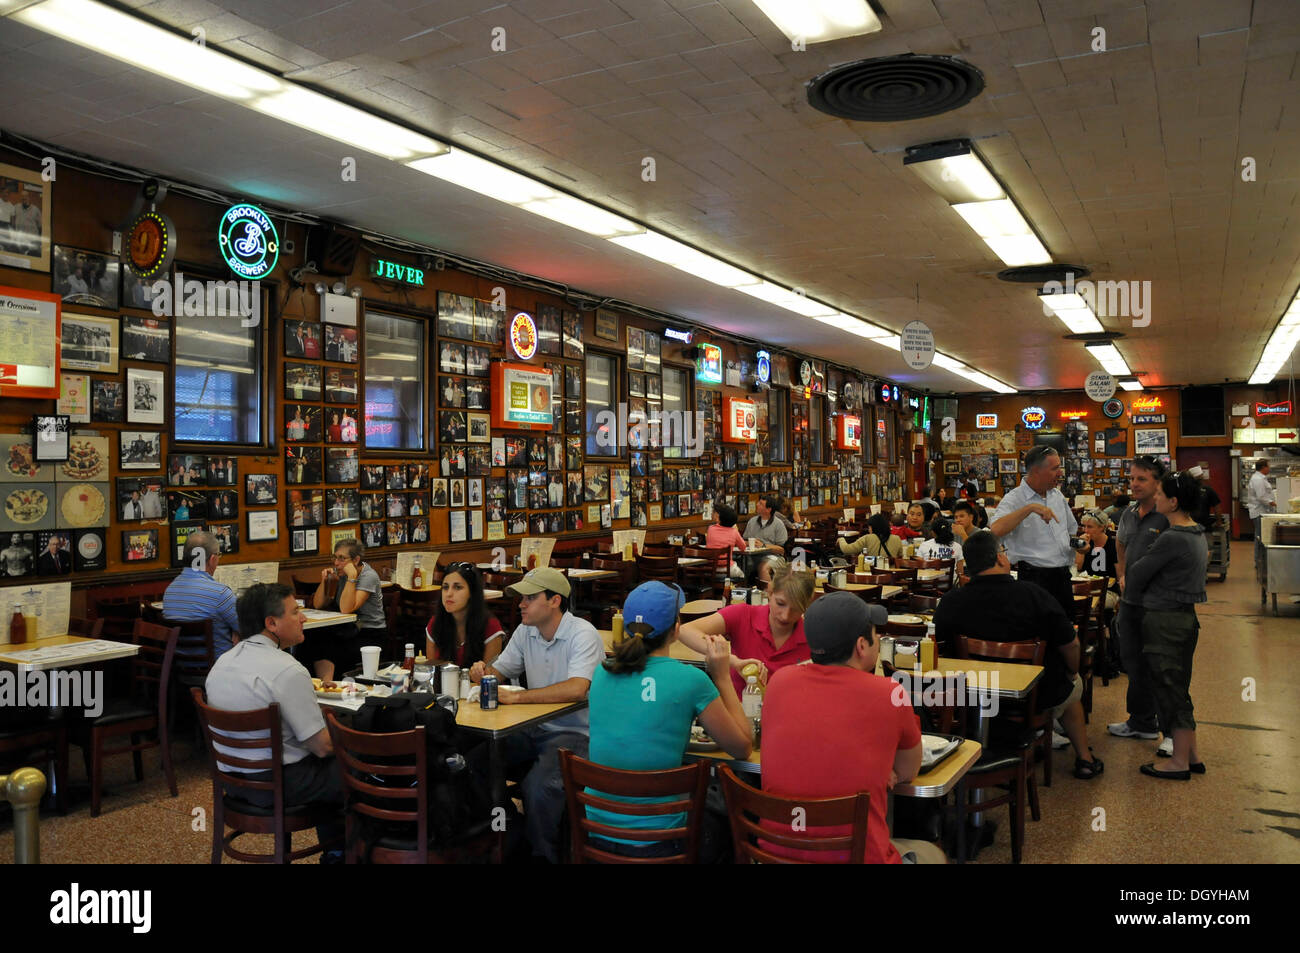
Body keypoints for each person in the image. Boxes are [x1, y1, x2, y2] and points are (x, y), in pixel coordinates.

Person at [761, 591, 943, 863]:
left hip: (775, 855)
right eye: (874, 632)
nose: (879, 638)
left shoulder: (778, 682)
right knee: (934, 855)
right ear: (861, 645)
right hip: (857, 856)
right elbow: (908, 771)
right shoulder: (890, 693)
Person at [586, 582, 751, 857]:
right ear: (676, 630)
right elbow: (742, 747)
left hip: (597, 833)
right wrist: (722, 676)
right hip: (663, 840)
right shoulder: (690, 679)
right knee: (727, 819)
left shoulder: (602, 673)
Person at [932, 531, 1103, 779]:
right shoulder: (1034, 595)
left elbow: (940, 647)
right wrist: (1072, 672)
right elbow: (1072, 645)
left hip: (970, 697)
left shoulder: (950, 601)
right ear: (1001, 559)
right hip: (1032, 696)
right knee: (1073, 687)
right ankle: (1084, 758)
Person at [468, 568, 603, 863]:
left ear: (555, 601)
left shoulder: (583, 633)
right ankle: (514, 833)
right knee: (474, 763)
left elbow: (578, 688)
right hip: (534, 727)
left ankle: (544, 856)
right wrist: (482, 672)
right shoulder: (525, 631)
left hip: (579, 733)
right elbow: (500, 670)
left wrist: (519, 697)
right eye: (521, 598)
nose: (521, 604)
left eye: (530, 597)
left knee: (538, 789)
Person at [205, 583, 342, 860]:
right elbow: (322, 747)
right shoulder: (287, 670)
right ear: (272, 623)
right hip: (278, 785)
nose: (303, 618)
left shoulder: (219, 665)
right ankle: (340, 854)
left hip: (232, 783)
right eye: (295, 612)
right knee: (356, 769)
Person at [1125, 472, 1208, 778]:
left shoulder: (1173, 537)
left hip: (1165, 620)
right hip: (1183, 617)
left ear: (1174, 502)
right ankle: (1191, 754)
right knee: (1178, 686)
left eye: (1160, 495)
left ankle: (1179, 762)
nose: (1155, 498)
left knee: (1170, 688)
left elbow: (1137, 573)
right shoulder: (1196, 531)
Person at [678, 563, 813, 693]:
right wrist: (733, 661)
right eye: (780, 603)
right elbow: (685, 631)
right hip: (739, 711)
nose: (785, 616)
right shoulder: (743, 615)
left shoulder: (814, 637)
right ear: (769, 593)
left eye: (796, 609)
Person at [1108, 456, 1168, 743]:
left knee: (1162, 666)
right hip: (1131, 601)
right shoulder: (1130, 513)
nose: (1133, 484)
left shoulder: (1169, 514)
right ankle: (1141, 722)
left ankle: (1170, 731)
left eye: (1141, 479)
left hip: (1159, 604)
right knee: (1133, 663)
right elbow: (1121, 544)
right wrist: (1122, 574)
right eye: (1132, 478)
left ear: (1158, 482)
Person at [990, 445, 1078, 617]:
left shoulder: (1057, 496)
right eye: (1055, 468)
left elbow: (1071, 532)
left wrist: (1080, 545)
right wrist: (1029, 508)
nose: (1060, 473)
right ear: (1036, 471)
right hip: (1034, 579)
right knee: (1039, 637)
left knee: (1067, 635)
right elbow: (996, 529)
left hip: (1062, 576)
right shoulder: (1014, 499)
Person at [307, 538, 386, 681]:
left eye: (342, 558)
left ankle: (330, 684)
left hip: (369, 632)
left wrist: (352, 577)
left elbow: (346, 609)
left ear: (356, 560)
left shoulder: (368, 576)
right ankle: (325, 686)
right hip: (347, 629)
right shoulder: (341, 574)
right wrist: (326, 581)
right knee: (312, 639)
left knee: (332, 648)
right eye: (335, 557)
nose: (336, 563)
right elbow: (318, 604)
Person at [162, 530, 240, 657]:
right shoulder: (221, 594)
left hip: (179, 671)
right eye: (219, 555)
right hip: (219, 670)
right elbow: (250, 631)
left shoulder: (169, 591)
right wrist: (238, 632)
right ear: (212, 559)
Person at [425, 562, 505, 668]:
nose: (449, 593)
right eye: (445, 587)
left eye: (457, 587)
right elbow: (432, 673)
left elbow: (490, 678)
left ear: (472, 593)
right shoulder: (435, 623)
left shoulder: (490, 627)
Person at [1076, 509, 1119, 611]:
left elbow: (1120, 573)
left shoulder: (1113, 545)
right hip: (1086, 589)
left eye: (1090, 527)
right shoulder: (1083, 542)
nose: (1085, 530)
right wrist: (1080, 547)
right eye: (1084, 526)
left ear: (1102, 527)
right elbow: (1078, 567)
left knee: (1087, 605)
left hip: (1108, 591)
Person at [1247, 460, 1276, 575]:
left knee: (1260, 536)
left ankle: (1259, 560)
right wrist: (1273, 503)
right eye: (1268, 466)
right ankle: (1259, 560)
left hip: (1262, 511)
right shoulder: (1258, 479)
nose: (1269, 468)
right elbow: (1261, 497)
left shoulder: (1260, 478)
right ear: (1263, 467)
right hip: (1259, 511)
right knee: (1260, 536)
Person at [839, 512, 904, 561]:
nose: (869, 530)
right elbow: (900, 556)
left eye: (869, 527)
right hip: (892, 573)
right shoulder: (897, 538)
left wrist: (841, 539)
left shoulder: (867, 538)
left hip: (874, 573)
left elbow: (846, 549)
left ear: (873, 527)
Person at [706, 503, 748, 576]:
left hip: (711, 569)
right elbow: (743, 547)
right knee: (742, 576)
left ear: (718, 516)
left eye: (714, 512)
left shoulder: (710, 529)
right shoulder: (734, 531)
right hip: (728, 569)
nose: (712, 513)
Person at [1189, 466, 1220, 533]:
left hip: (1191, 524)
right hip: (1201, 525)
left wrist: (1218, 522)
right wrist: (1218, 522)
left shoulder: (1186, 490)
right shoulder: (1208, 490)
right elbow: (1217, 507)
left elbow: (1217, 506)